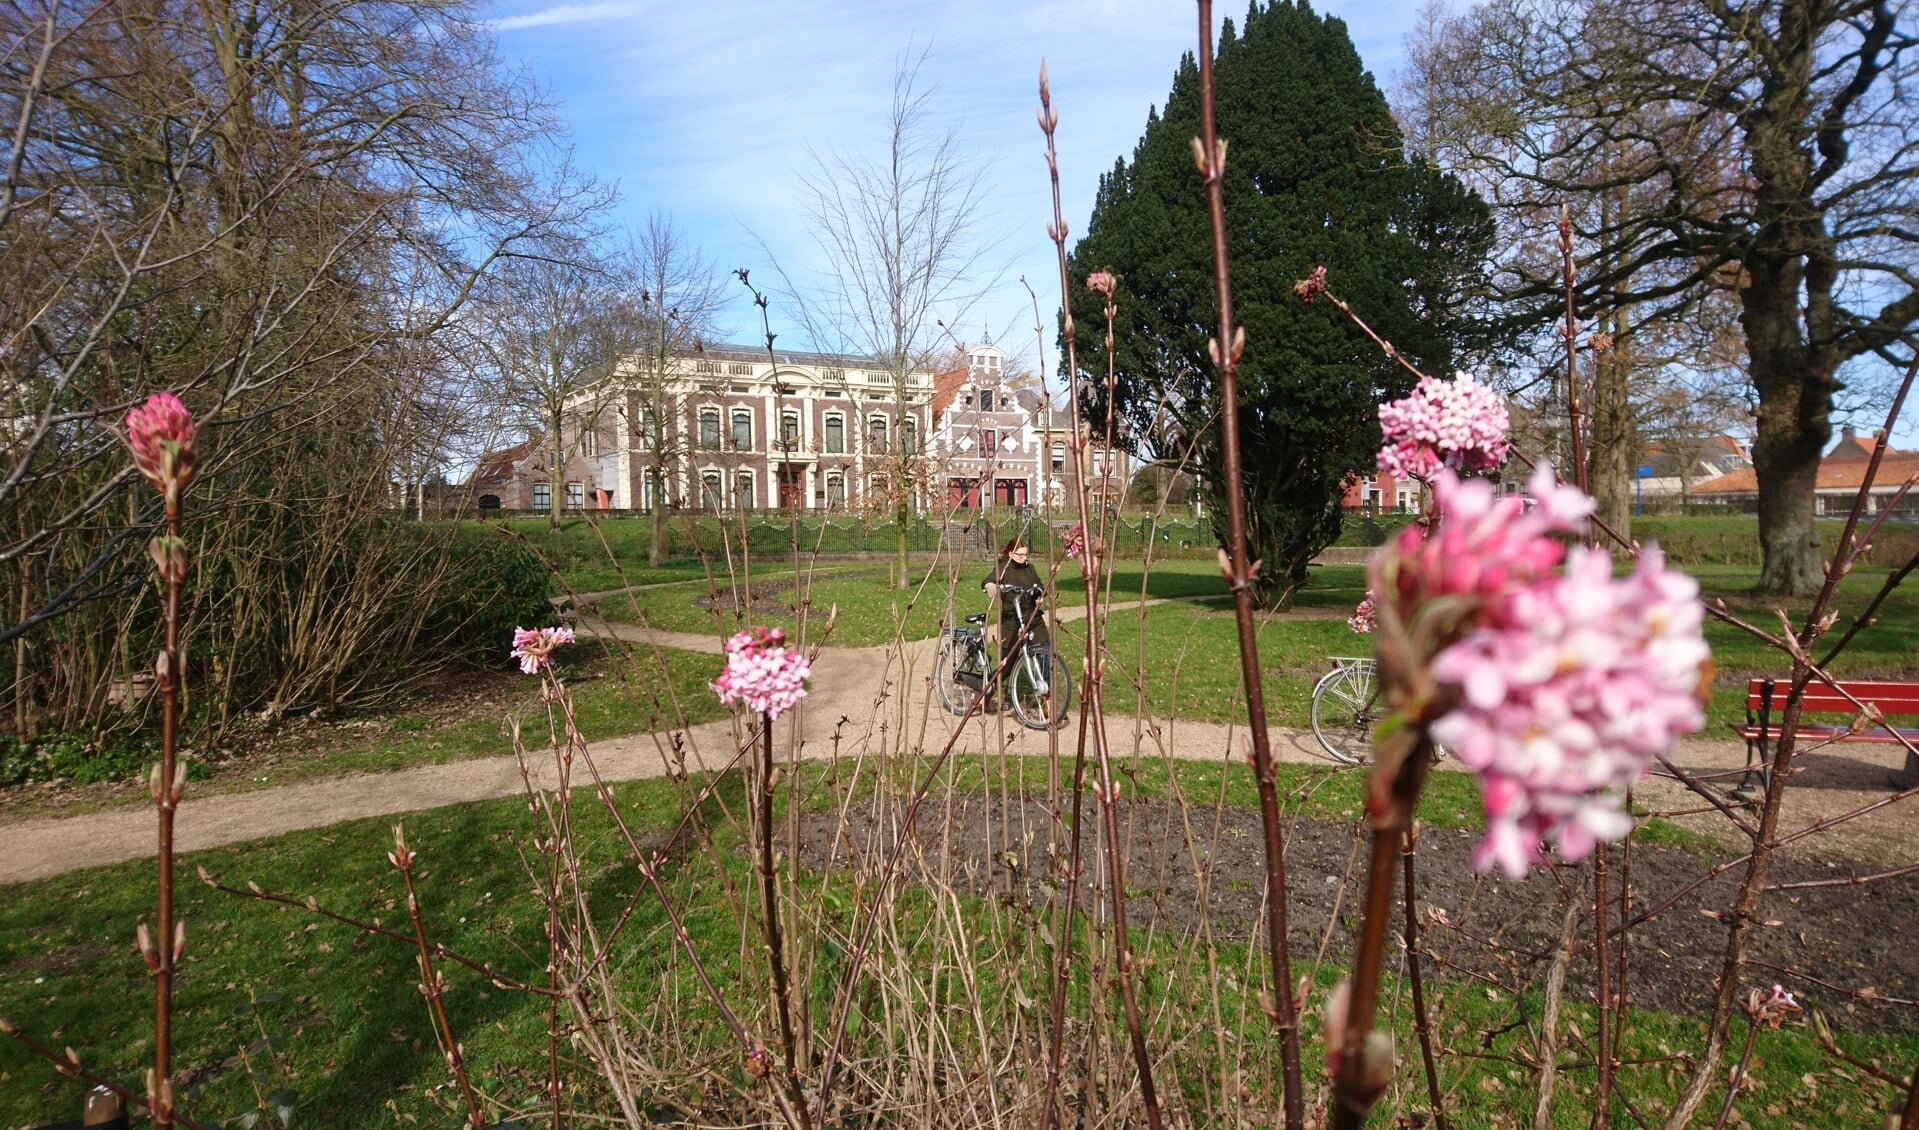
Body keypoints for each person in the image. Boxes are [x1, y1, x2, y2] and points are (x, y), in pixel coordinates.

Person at [982, 536, 1048, 710]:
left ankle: (1046, 697)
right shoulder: (1003, 569)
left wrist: (1039, 594)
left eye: (1026, 555)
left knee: (1044, 654)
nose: (1024, 558)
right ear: (1011, 554)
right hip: (1011, 620)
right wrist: (990, 585)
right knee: (1006, 663)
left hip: (1032, 617)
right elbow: (987, 580)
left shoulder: (1030, 568)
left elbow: (1040, 585)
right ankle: (988, 693)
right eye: (1020, 555)